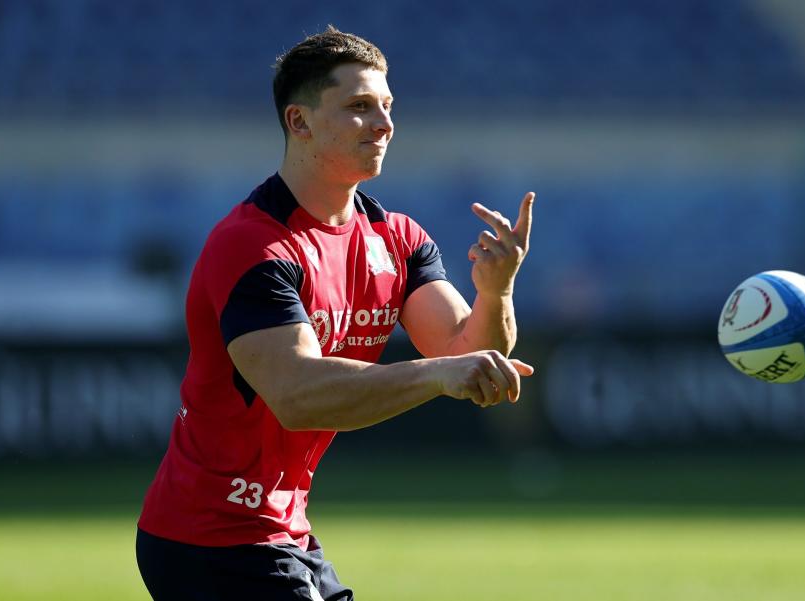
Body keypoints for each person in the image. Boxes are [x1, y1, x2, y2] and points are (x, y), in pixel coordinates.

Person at [135, 26, 535, 601]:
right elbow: (298, 397)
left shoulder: (397, 239)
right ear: (299, 122)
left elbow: (463, 353)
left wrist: (497, 292)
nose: (384, 124)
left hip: (283, 531)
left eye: (387, 107)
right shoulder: (253, 245)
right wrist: (435, 376)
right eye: (359, 107)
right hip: (207, 539)